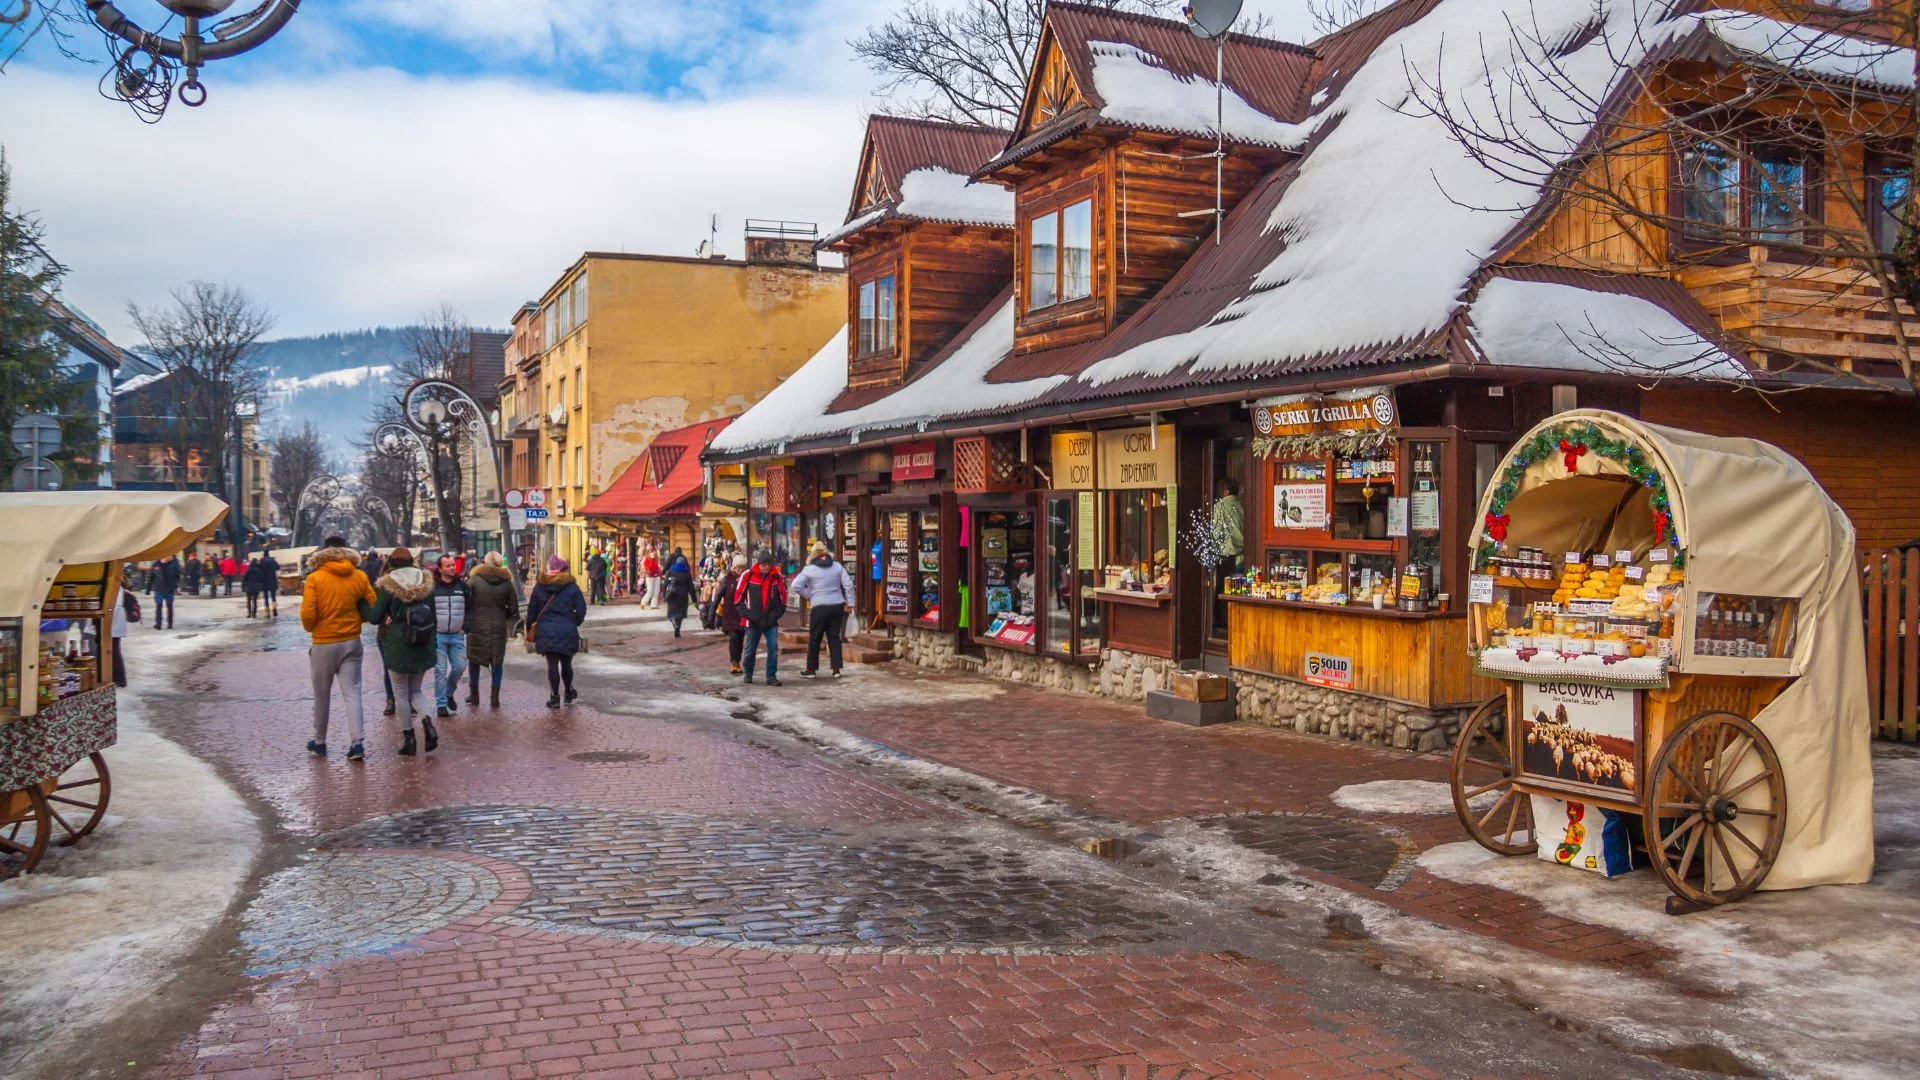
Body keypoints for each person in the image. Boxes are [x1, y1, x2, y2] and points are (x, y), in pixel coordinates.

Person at [302, 538, 378, 761]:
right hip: (351, 641)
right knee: (353, 693)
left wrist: (313, 627)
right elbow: (372, 606)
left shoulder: (315, 578)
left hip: (324, 642)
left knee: (321, 695)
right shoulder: (359, 576)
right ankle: (357, 743)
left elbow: (308, 614)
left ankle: (320, 741)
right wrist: (358, 620)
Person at [365, 547, 438, 756]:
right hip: (423, 639)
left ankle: (409, 739)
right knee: (416, 690)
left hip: (398, 641)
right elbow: (432, 614)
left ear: (392, 564)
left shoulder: (388, 585)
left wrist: (364, 606)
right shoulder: (426, 582)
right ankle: (428, 725)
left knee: (400, 693)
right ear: (411, 561)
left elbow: (374, 616)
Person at [526, 555, 586, 707]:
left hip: (546, 629)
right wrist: (575, 622)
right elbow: (581, 609)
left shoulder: (540, 586)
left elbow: (531, 611)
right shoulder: (572, 587)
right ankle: (568, 691)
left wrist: (530, 628)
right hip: (567, 629)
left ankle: (554, 697)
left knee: (552, 663)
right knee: (567, 663)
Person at [791, 541, 855, 679]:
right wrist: (850, 603)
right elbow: (848, 584)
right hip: (836, 606)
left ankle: (811, 669)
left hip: (819, 607)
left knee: (815, 638)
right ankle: (836, 669)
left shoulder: (809, 569)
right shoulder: (837, 566)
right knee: (834, 637)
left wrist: (810, 595)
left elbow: (795, 585)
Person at [466, 552, 517, 708]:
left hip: (477, 625)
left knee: (474, 660)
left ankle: (474, 696)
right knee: (497, 662)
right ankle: (495, 698)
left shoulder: (474, 580)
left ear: (484, 562)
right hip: (498, 625)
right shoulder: (507, 583)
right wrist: (502, 615)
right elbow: (513, 607)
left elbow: (465, 602)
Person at [734, 549, 786, 686]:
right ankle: (748, 673)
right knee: (750, 648)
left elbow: (783, 601)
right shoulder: (748, 575)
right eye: (763, 564)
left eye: (768, 564)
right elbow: (738, 600)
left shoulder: (777, 577)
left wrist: (774, 615)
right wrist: (750, 615)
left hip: (770, 621)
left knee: (773, 647)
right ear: (758, 564)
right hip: (752, 621)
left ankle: (771, 676)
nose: (766, 567)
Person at [429, 553, 471, 718]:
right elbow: (427, 610)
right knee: (440, 670)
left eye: (453, 565)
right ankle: (441, 705)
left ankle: (448, 693)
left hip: (457, 635)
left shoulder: (462, 586)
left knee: (460, 667)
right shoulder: (432, 588)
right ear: (440, 569)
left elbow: (471, 608)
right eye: (448, 566)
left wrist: (466, 626)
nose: (453, 568)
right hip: (438, 635)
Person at [715, 553, 747, 674]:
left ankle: (738, 661)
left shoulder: (746, 579)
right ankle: (733, 662)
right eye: (739, 568)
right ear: (733, 568)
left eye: (743, 567)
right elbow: (718, 596)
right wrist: (713, 611)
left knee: (740, 639)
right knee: (733, 638)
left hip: (742, 615)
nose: (741, 570)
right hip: (730, 614)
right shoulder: (727, 580)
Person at [111, 577, 139, 688]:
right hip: (115, 624)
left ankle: (119, 679)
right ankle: (118, 679)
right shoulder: (119, 587)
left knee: (114, 652)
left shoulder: (116, 588)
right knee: (114, 651)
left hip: (113, 624)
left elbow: (115, 608)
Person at [661, 553, 695, 637]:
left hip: (672, 594)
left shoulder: (671, 571)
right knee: (681, 613)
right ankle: (678, 628)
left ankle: (674, 623)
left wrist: (664, 593)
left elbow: (666, 583)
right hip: (683, 595)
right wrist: (694, 598)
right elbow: (691, 587)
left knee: (672, 612)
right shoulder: (687, 573)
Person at [151, 554, 179, 629]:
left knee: (169, 606)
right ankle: (158, 624)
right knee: (159, 605)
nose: (169, 557)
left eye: (170, 556)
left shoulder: (174, 564)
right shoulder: (156, 564)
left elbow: (177, 575)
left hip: (169, 589)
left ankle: (170, 623)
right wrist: (148, 588)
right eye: (167, 555)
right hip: (158, 589)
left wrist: (175, 585)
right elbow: (152, 576)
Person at [259, 548, 281, 616]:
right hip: (272, 580)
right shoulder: (272, 561)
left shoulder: (261, 561)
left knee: (266, 597)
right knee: (273, 596)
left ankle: (267, 612)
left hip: (264, 581)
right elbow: (278, 567)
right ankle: (275, 610)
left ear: (263, 554)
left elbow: (259, 570)